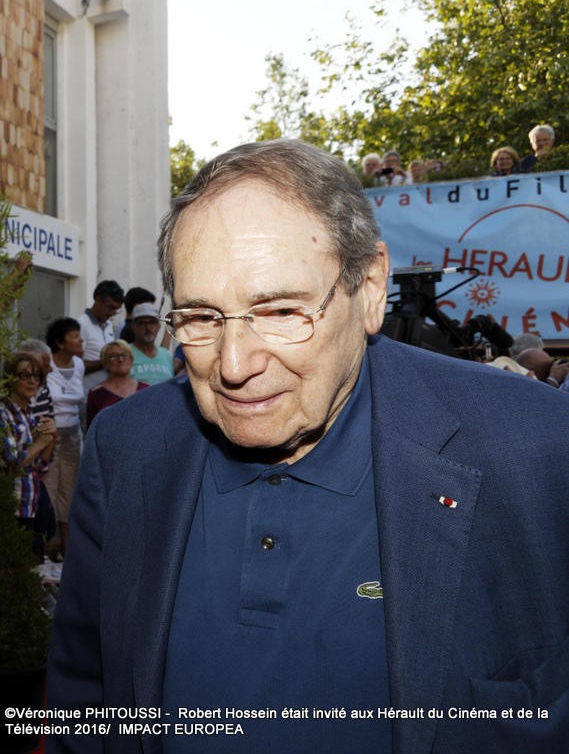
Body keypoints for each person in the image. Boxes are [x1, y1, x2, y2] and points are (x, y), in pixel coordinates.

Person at [47, 139, 569, 754]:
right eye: (201, 317)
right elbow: (84, 699)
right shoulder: (128, 447)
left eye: (279, 311)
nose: (234, 366)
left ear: (371, 287)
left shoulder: (535, 448)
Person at [0, 352, 57, 560]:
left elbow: (41, 464)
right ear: (10, 378)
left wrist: (51, 437)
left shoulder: (30, 412)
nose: (32, 381)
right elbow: (13, 463)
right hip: (9, 504)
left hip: (29, 502)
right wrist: (42, 441)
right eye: (25, 375)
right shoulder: (3, 413)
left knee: (29, 563)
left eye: (36, 376)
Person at [44, 317, 85, 558]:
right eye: (74, 335)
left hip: (72, 434)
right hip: (50, 436)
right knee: (49, 487)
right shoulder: (46, 362)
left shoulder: (78, 364)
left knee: (69, 490)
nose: (81, 339)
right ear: (60, 343)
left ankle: (67, 548)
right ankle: (47, 544)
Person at [86, 340, 149, 427]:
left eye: (125, 355)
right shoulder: (96, 394)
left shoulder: (146, 389)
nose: (120, 359)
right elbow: (92, 430)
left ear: (131, 360)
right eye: (113, 356)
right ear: (105, 363)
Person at [77, 280, 124, 391]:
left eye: (116, 310)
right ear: (97, 300)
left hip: (106, 396)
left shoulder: (108, 325)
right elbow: (74, 366)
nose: (113, 313)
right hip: (86, 397)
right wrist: (105, 362)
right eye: (110, 307)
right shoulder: (80, 324)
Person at [129, 302, 174, 386]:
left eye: (152, 322)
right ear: (133, 326)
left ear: (158, 326)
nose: (148, 327)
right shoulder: (125, 353)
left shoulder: (167, 355)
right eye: (142, 323)